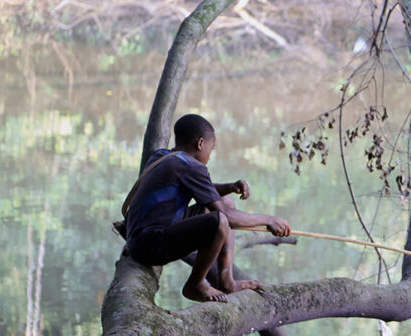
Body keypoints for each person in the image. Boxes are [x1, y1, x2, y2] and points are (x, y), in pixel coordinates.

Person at [123, 114, 291, 302]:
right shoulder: (191, 166)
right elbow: (226, 216)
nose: (211, 155)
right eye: (212, 148)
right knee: (220, 220)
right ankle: (196, 284)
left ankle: (227, 281)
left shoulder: (163, 156)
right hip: (148, 246)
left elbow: (204, 190)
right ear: (200, 143)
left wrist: (229, 187)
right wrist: (269, 219)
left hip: (140, 235)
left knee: (225, 201)